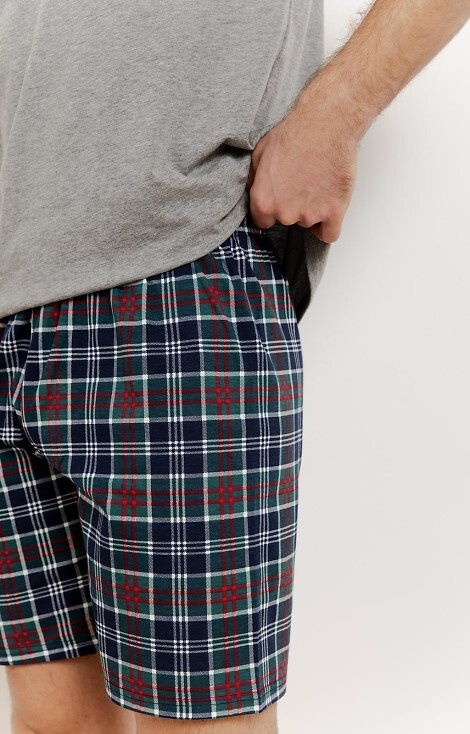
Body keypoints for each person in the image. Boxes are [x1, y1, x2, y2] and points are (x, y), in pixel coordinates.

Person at [0, 1, 468, 732]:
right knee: (49, 718)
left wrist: (334, 115)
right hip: (12, 281)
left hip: (177, 269)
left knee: (202, 721)